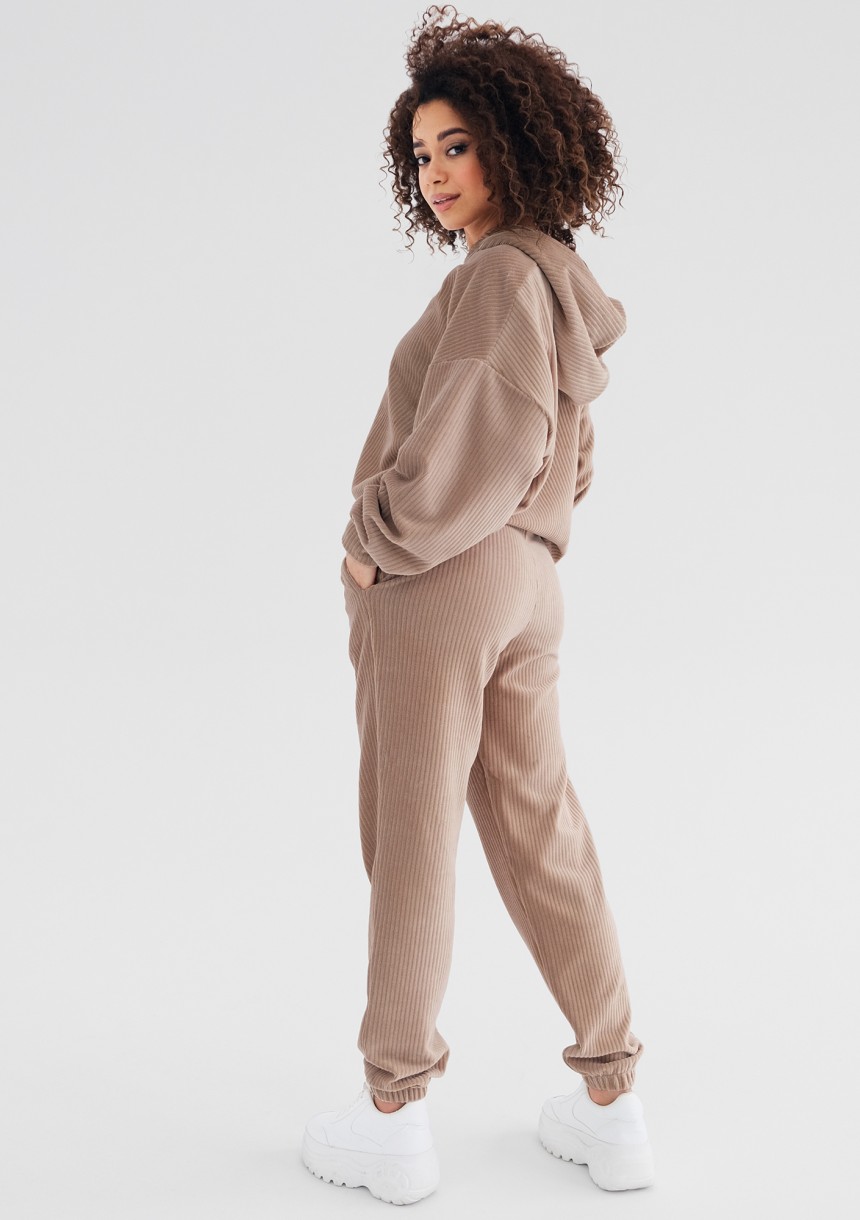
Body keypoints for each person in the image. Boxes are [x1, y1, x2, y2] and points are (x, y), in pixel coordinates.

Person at [301, 5, 655, 1204]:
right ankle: (610, 1099)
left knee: (411, 834)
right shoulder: (556, 280)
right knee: (539, 827)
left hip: (442, 582)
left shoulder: (498, 276)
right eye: (421, 153)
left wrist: (373, 544)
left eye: (456, 145)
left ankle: (390, 1112)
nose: (436, 172)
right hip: (527, 581)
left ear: (512, 139)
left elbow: (468, 443)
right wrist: (515, 537)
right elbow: (568, 457)